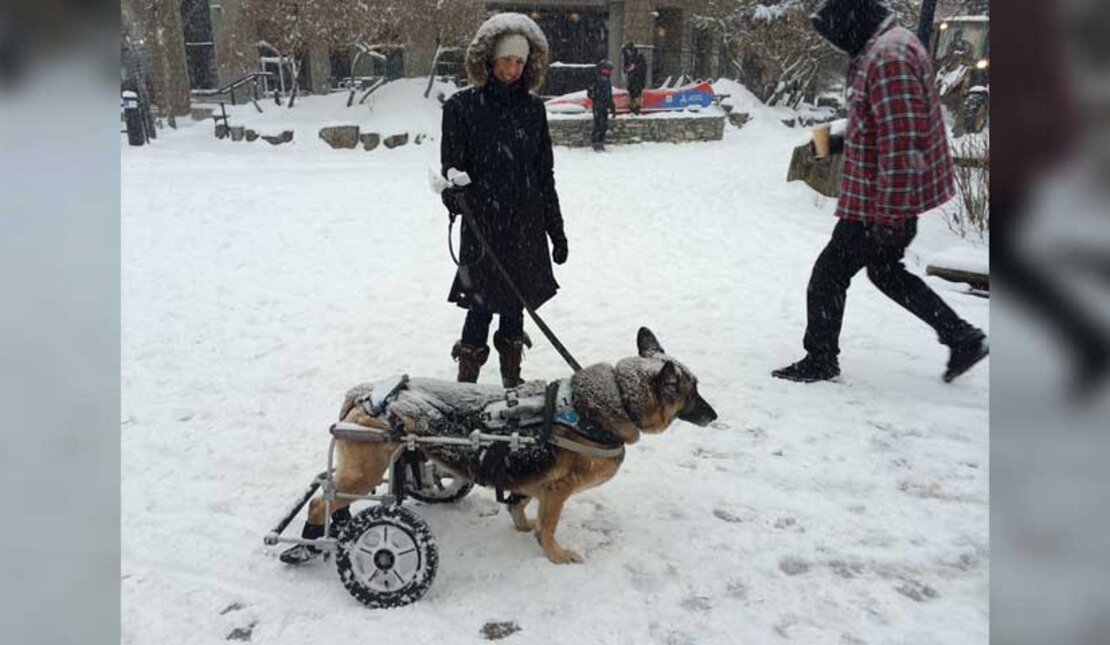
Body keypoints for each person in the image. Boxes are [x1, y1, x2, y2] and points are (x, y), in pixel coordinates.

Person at [772, 0, 988, 384]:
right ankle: (962, 336)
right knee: (886, 272)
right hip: (885, 198)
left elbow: (901, 143)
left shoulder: (888, 58)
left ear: (851, 25)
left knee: (827, 277)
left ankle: (820, 358)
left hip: (879, 202)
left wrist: (890, 216)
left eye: (837, 36)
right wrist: (834, 143)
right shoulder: (888, 45)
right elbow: (881, 121)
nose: (838, 46)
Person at [440, 13, 569, 388]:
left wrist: (556, 232)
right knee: (479, 309)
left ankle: (512, 386)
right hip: (483, 228)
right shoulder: (462, 108)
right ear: (489, 59)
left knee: (515, 309)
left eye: (519, 61)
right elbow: (452, 169)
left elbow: (544, 175)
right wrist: (454, 196)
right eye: (506, 59)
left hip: (525, 229)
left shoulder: (533, 111)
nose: (512, 68)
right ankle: (466, 390)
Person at [587, 59, 617, 151]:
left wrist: (611, 105)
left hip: (604, 105)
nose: (611, 72)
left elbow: (608, 94)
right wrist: (597, 99)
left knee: (603, 125)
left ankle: (599, 142)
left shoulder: (606, 79)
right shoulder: (598, 79)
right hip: (599, 105)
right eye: (609, 70)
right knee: (599, 124)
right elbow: (592, 93)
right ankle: (596, 143)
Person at [621, 42, 646, 115]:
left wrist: (634, 68)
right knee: (632, 94)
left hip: (637, 81)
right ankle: (633, 107)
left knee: (636, 95)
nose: (627, 53)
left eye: (628, 51)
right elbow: (625, 69)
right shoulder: (628, 58)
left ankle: (636, 108)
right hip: (631, 81)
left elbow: (642, 70)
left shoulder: (639, 58)